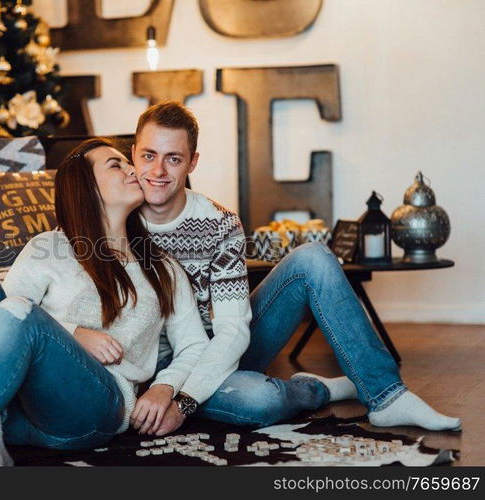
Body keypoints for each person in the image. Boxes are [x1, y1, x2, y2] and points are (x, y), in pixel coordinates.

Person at [129, 101, 461, 436]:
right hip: (147, 368)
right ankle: (319, 390)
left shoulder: (220, 224)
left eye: (173, 158)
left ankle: (388, 396)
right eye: (148, 155)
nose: (158, 170)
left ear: (192, 163)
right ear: (133, 155)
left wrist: (184, 402)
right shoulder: (113, 217)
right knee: (260, 398)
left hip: (221, 354)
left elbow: (231, 331)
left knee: (313, 258)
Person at [0, 137, 209, 466]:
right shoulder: (49, 247)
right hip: (18, 412)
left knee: (20, 311)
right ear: (86, 187)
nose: (134, 170)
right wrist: (75, 333)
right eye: (117, 165)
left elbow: (195, 345)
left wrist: (165, 388)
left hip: (93, 409)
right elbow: (4, 317)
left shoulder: (163, 268)